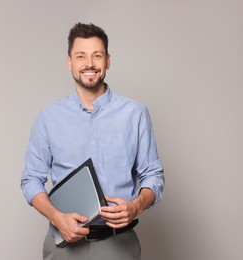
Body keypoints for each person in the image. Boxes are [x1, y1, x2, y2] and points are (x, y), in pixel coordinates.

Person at [20, 23, 165, 260]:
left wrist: (135, 206)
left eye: (96, 55)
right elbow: (30, 179)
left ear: (107, 61)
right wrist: (57, 218)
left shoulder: (135, 114)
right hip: (64, 245)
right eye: (81, 56)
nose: (89, 63)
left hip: (119, 244)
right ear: (70, 62)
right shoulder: (48, 117)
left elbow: (153, 175)